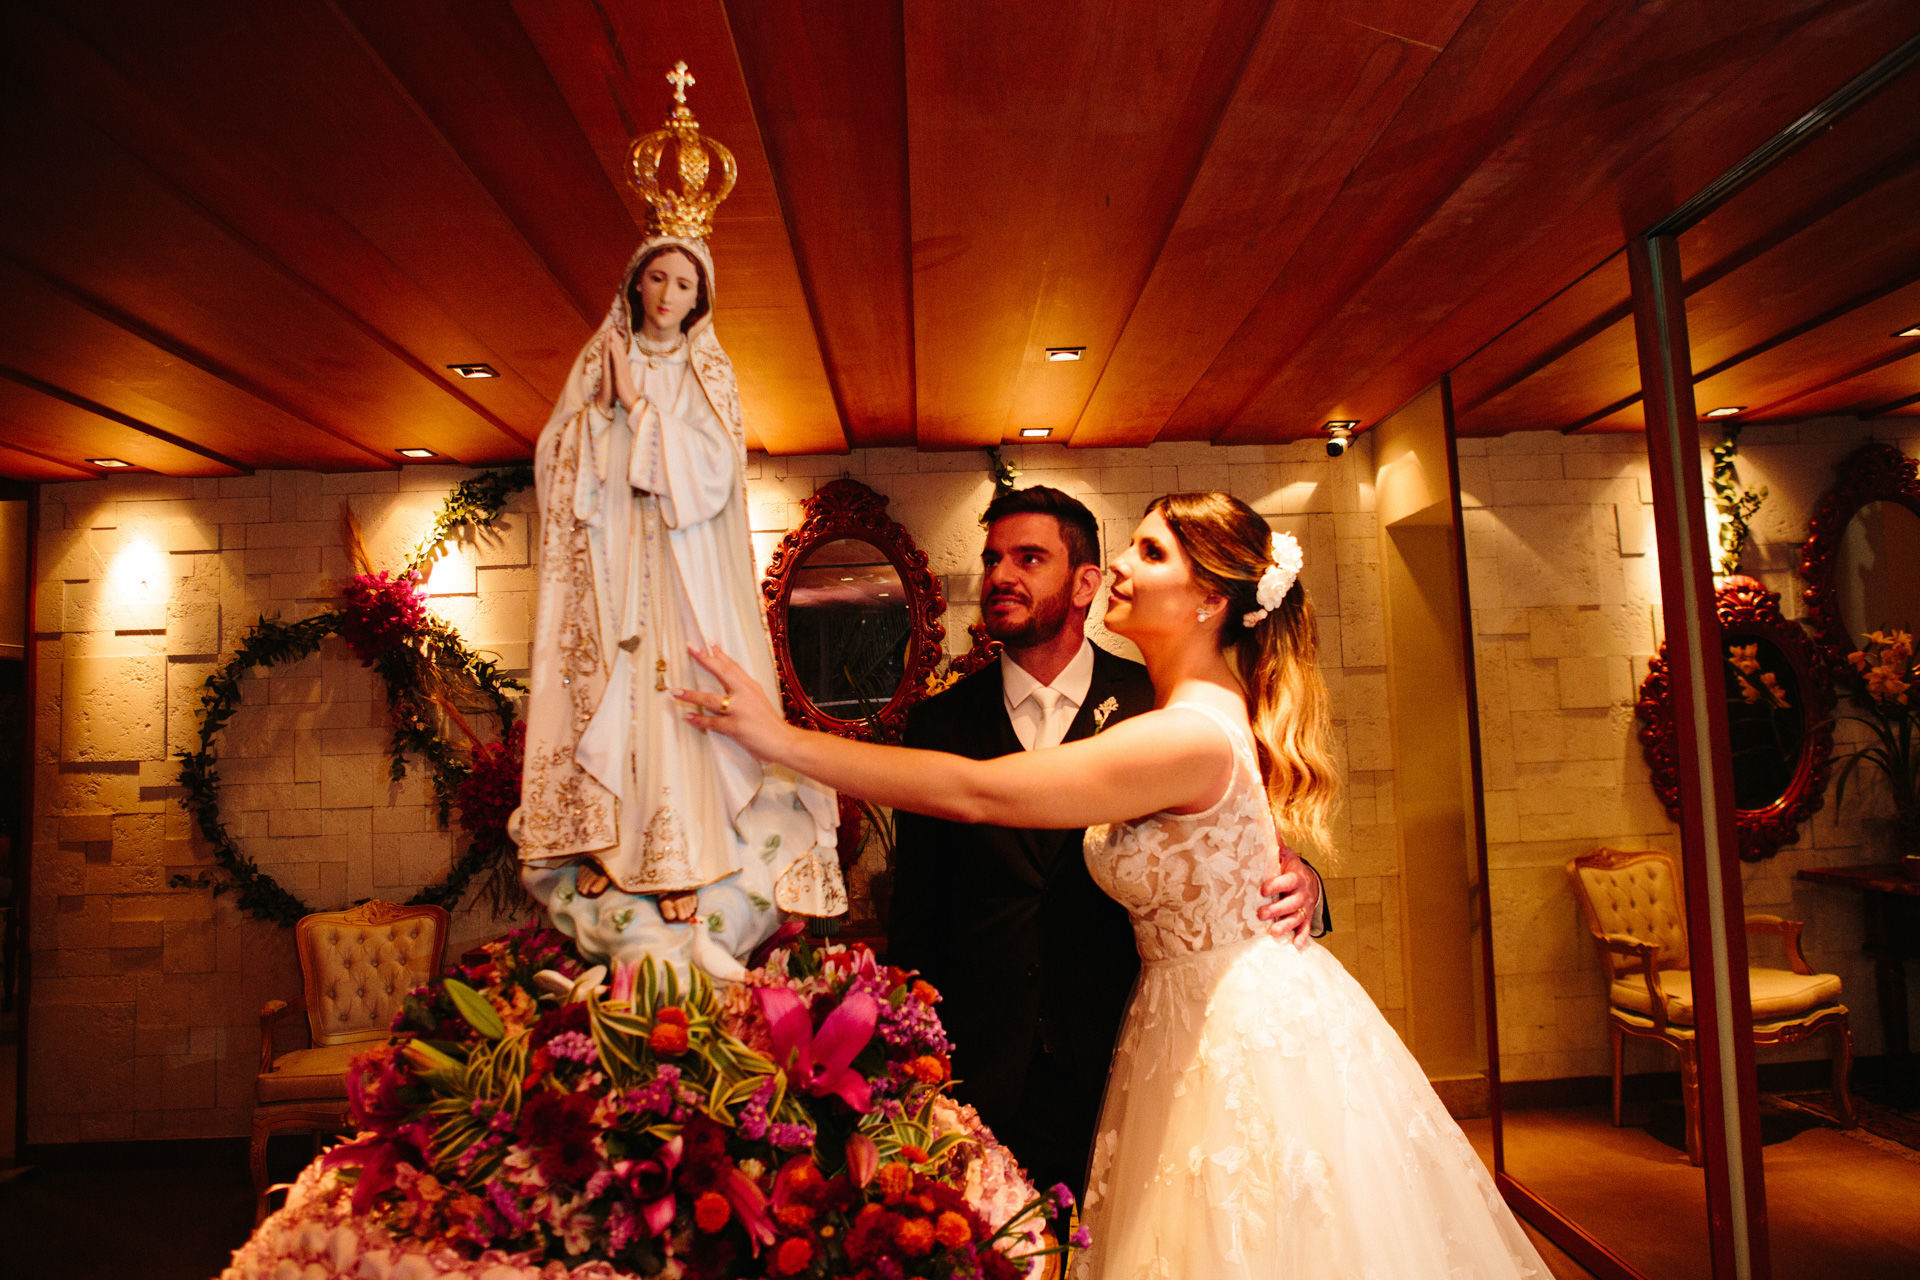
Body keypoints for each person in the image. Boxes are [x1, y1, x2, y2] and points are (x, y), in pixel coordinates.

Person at [675, 492, 1548, 1278]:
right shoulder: (1195, 719)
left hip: (1228, 1033)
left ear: (1211, 600)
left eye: (1151, 551)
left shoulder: (1184, 733)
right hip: (1158, 1020)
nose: (1123, 565)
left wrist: (778, 740)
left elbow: (981, 794)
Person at [888, 485, 1325, 1198]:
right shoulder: (940, 725)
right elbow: (918, 911)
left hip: (1132, 1061)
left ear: (1085, 582)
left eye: (1029, 558)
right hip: (982, 1069)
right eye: (994, 558)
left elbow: (1241, 833)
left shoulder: (1164, 703)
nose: (1000, 577)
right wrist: (911, 1060)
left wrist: (1304, 878)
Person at [511, 226, 843, 980]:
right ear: (635, 286)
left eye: (683, 285)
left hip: (684, 573)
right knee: (611, 693)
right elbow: (560, 460)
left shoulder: (707, 371)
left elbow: (715, 472)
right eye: (657, 279)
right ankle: (607, 847)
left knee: (682, 702)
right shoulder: (600, 359)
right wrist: (600, 417)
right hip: (617, 564)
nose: (667, 296)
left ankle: (686, 854)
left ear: (701, 301)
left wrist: (643, 410)